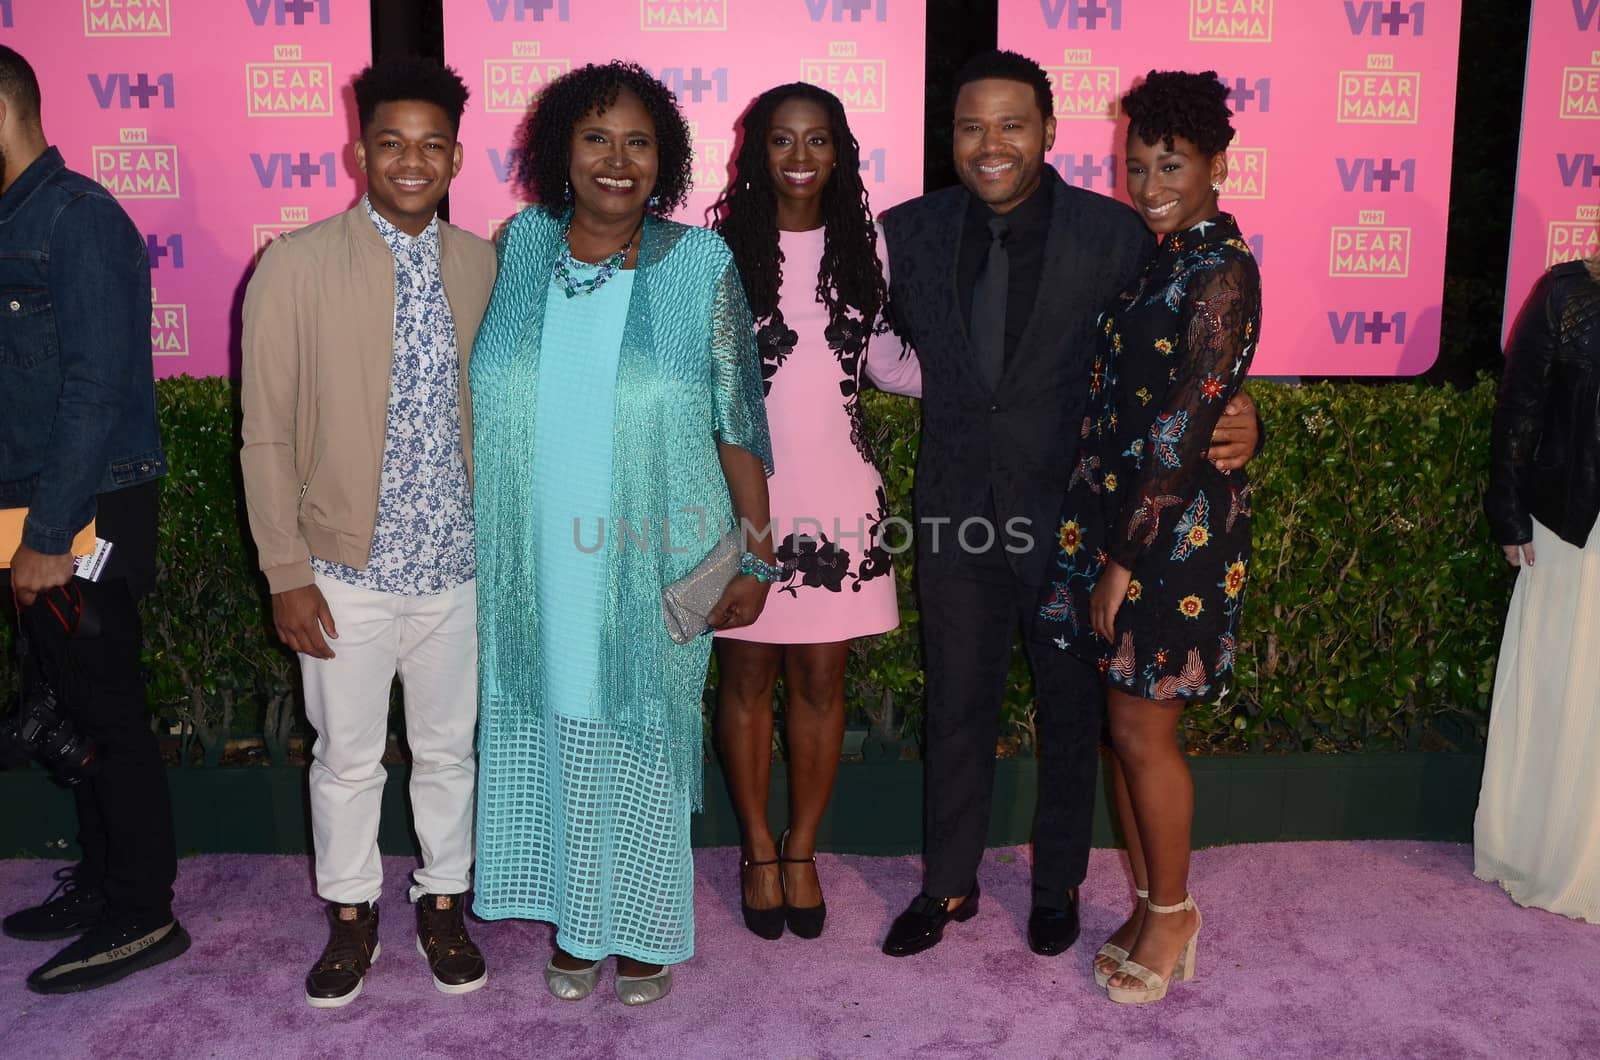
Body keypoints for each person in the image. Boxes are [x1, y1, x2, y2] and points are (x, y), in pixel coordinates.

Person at [875, 50, 1260, 961]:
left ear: (1048, 132)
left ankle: (1057, 888)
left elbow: (1182, 368)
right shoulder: (908, 232)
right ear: (952, 137)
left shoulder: (1117, 235)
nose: (991, 144)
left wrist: (1246, 416)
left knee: (1071, 711)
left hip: (1079, 514)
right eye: (972, 127)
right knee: (956, 700)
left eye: (1012, 124)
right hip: (957, 508)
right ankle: (948, 884)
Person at [469, 62, 774, 1006]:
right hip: (528, 555)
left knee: (639, 732)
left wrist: (757, 552)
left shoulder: (699, 265)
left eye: (638, 141)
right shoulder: (520, 245)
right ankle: (576, 919)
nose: (617, 159)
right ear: (563, 148)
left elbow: (739, 419)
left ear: (665, 159)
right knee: (556, 722)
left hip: (646, 556)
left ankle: (641, 928)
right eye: (597, 137)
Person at [240, 56, 497, 1008]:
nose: (411, 160)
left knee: (449, 753)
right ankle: (351, 914)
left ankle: (442, 902)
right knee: (345, 757)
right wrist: (284, 570)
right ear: (359, 152)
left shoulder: (483, 264)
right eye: (391, 142)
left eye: (431, 144)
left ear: (457, 155)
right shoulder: (295, 264)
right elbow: (263, 429)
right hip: (343, 567)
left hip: (460, 570)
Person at [1036, 70, 1260, 1003]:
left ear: (1216, 160)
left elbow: (1180, 426)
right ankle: (1145, 899)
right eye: (1137, 164)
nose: (1150, 180)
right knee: (1124, 732)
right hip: (1124, 519)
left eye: (1171, 162)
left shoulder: (1220, 268)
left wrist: (1123, 559)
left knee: (1142, 729)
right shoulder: (1159, 256)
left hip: (1172, 537)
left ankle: (1174, 914)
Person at [706, 82, 921, 941]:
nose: (800, 157)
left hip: (838, 491)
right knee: (748, 676)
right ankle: (758, 848)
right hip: (745, 490)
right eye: (782, 140)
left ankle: (803, 849)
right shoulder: (716, 251)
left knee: (824, 681)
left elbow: (891, 363)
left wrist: (1008, 388)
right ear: (756, 151)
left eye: (818, 140)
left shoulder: (866, 244)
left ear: (841, 153)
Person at [0, 43, 188, 994]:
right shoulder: (14, 221)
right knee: (67, 703)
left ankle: (144, 912)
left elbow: (94, 389)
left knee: (106, 707)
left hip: (82, 510)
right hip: (32, 511)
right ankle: (107, 881)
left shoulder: (78, 221)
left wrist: (44, 537)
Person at [1477, 255, 1600, 924]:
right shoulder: (1567, 295)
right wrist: (1509, 511)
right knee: (1562, 689)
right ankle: (1543, 849)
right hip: (1572, 527)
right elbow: (1518, 409)